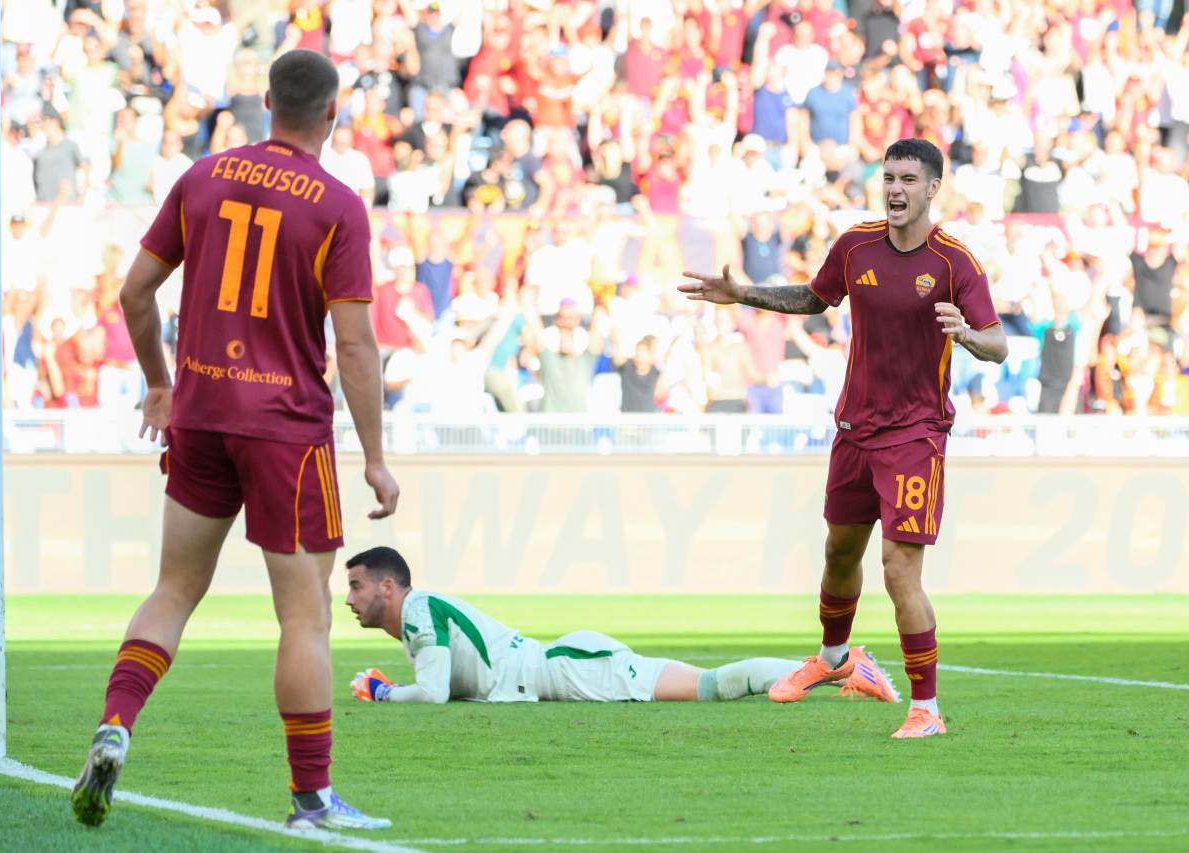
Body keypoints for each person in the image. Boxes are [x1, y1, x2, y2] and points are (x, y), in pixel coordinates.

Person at [70, 50, 399, 831]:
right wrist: (377, 458)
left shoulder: (203, 177)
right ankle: (312, 800)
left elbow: (135, 293)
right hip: (285, 431)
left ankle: (116, 722)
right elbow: (355, 346)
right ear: (332, 112)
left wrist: (159, 383)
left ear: (266, 103)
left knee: (173, 590)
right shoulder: (338, 206)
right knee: (305, 616)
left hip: (201, 414)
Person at [680, 138, 1007, 738]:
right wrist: (743, 293)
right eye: (889, 177)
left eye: (908, 179)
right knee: (838, 553)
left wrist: (966, 335)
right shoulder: (856, 245)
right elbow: (814, 297)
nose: (895, 189)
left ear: (934, 188)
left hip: (915, 436)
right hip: (855, 427)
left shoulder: (955, 262)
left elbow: (998, 344)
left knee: (899, 569)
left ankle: (926, 709)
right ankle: (836, 659)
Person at [343, 547, 899, 705]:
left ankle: (839, 666)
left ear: (388, 587)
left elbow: (434, 693)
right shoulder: (422, 610)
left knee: (710, 687)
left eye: (356, 586)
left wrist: (384, 692)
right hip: (560, 669)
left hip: (568, 671)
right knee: (709, 685)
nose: (348, 599)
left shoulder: (419, 610)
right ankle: (837, 667)